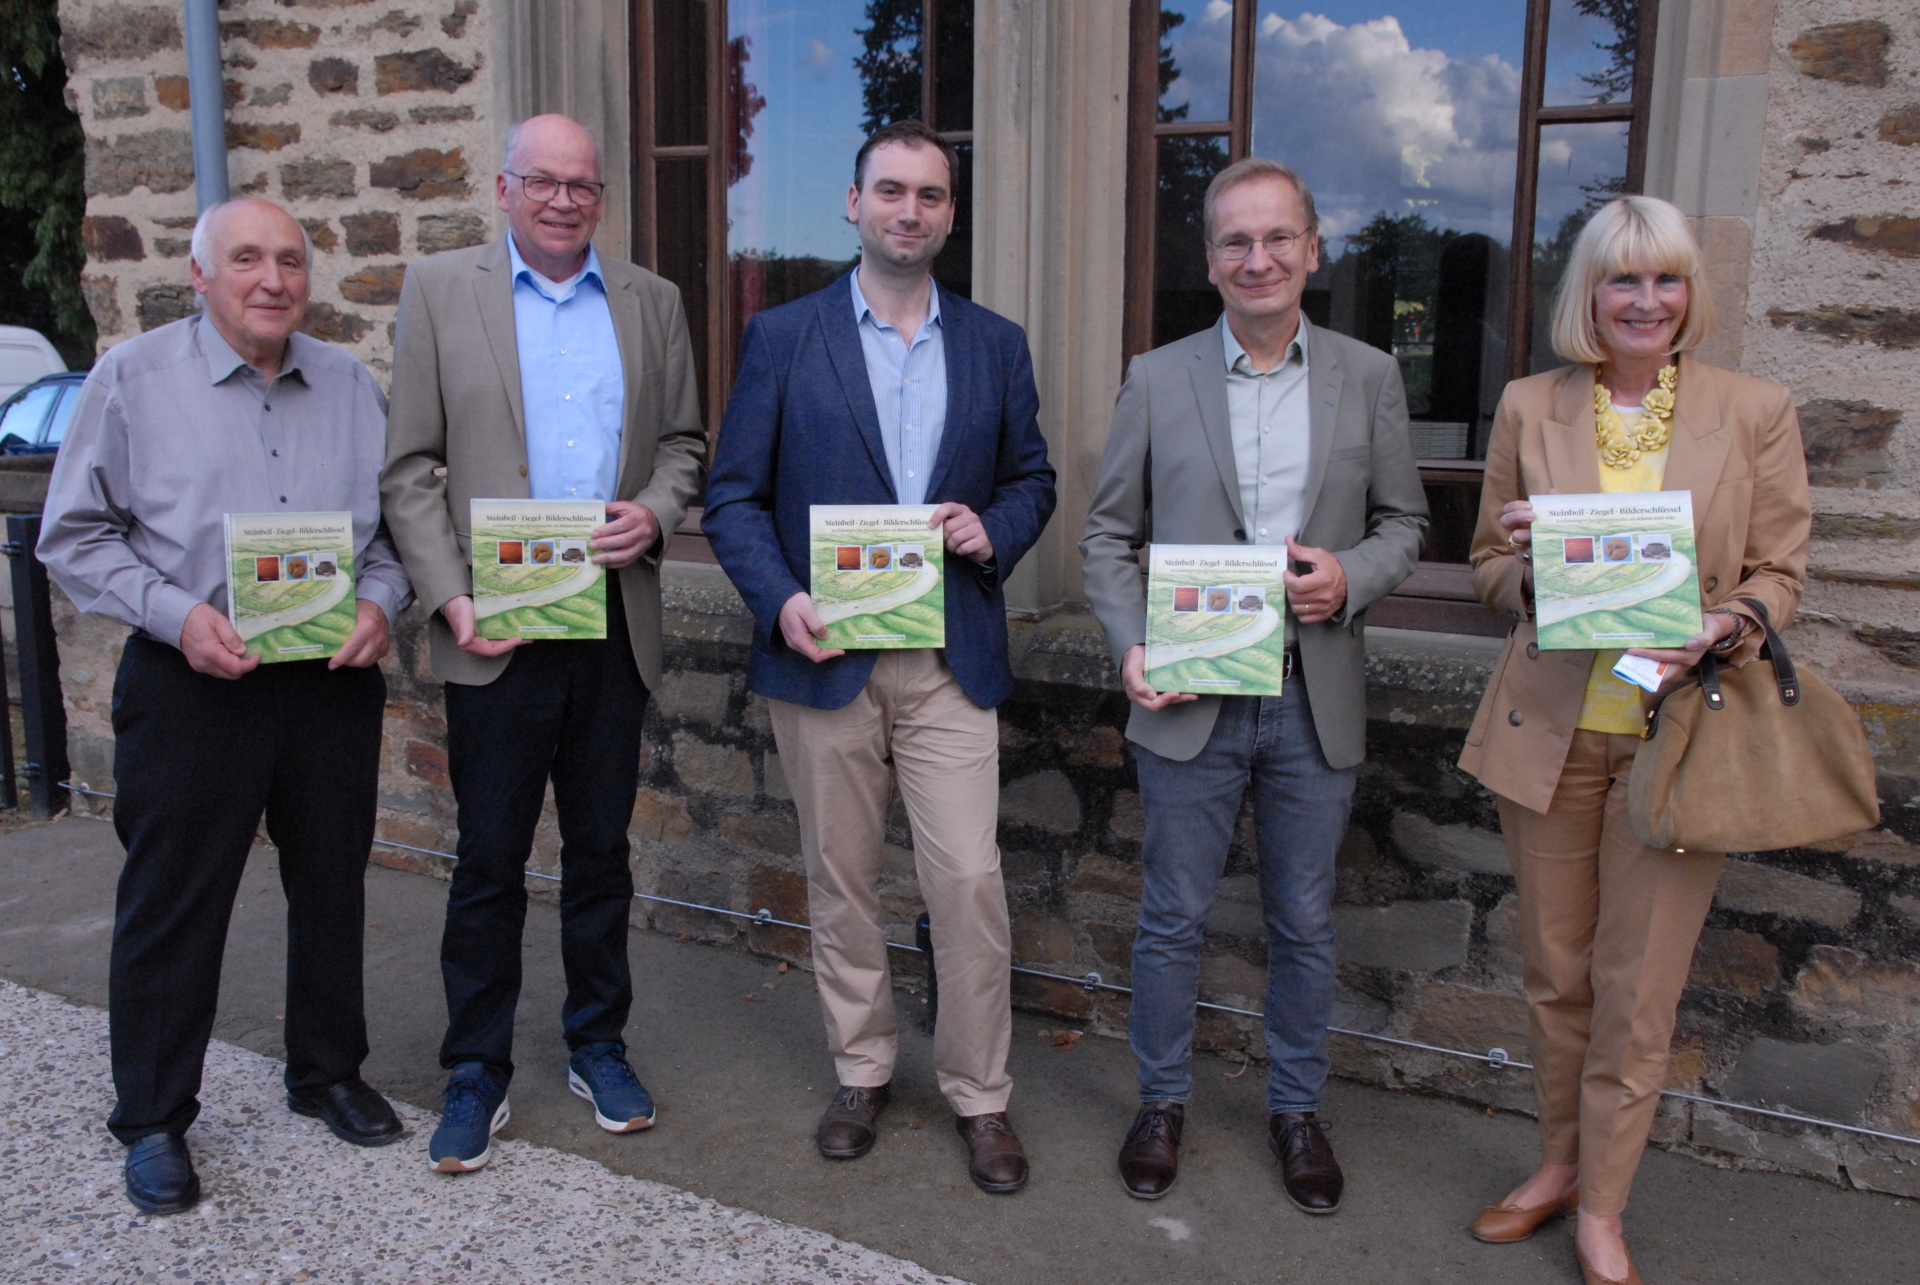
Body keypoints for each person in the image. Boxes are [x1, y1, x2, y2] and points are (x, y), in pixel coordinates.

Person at [1458, 195, 1810, 1285]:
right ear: (1590, 297)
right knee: (1557, 977)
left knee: (1637, 989)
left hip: (1675, 738)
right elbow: (1484, 570)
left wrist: (1729, 620)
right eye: (1622, 279)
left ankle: (1604, 1205)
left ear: (1688, 293)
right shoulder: (1529, 404)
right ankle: (1557, 1164)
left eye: (1664, 279)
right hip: (1550, 734)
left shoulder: (1753, 409)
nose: (1644, 301)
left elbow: (1779, 572)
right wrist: (1531, 561)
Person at [39, 198, 414, 1214]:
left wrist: (380, 605)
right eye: (246, 258)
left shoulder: (347, 384)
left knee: (332, 880)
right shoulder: (132, 379)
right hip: (194, 676)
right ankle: (154, 1117)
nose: (273, 279)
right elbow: (73, 537)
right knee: (175, 898)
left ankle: (327, 1069)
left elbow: (388, 543)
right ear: (200, 277)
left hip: (329, 682)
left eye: (291, 260)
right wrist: (173, 616)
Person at [702, 120, 1056, 1193]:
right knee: (842, 880)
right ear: (853, 204)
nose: (911, 211)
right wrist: (784, 601)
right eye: (891, 191)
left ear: (951, 214)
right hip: (829, 653)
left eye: (932, 195)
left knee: (969, 881)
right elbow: (732, 498)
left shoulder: (995, 343)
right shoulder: (783, 337)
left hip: (951, 656)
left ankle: (979, 1094)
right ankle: (861, 1067)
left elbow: (1032, 477)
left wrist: (996, 528)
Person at [1080, 157, 1427, 1211]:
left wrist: (1350, 578)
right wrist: (1131, 642)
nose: (1259, 257)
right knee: (1173, 918)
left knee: (1306, 923)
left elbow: (1406, 525)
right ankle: (1161, 1101)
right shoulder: (1158, 374)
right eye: (1236, 240)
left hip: (1311, 697)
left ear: (1313, 250)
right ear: (1211, 260)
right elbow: (1106, 536)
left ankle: (1295, 1108)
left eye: (1279, 237)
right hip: (1190, 696)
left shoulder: (1368, 375)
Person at [381, 114, 707, 1172]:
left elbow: (682, 445)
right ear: (503, 187)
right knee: (487, 858)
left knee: (603, 853)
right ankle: (475, 1067)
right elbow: (411, 468)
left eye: (583, 185)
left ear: (600, 197)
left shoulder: (652, 302)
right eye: (544, 182)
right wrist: (450, 599)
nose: (564, 200)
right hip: (502, 624)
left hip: (611, 620)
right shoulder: (440, 292)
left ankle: (596, 1042)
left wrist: (655, 512)